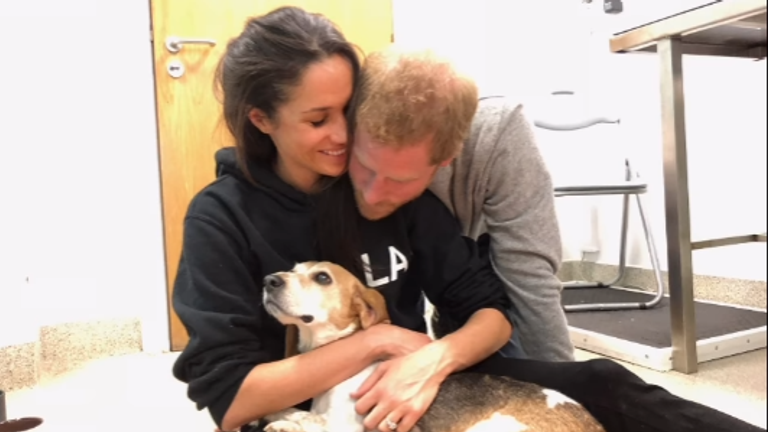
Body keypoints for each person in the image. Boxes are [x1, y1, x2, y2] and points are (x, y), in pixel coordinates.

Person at [171, 6, 766, 432]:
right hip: (308, 403)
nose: (343, 136)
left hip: (425, 386)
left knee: (601, 384)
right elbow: (231, 398)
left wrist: (434, 358)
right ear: (262, 120)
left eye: (346, 111)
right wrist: (378, 339)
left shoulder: (395, 194)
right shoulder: (220, 218)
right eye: (317, 118)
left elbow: (494, 308)